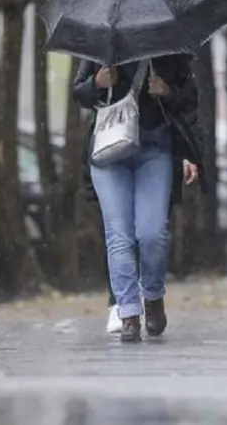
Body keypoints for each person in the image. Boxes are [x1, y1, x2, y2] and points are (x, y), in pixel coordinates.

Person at [72, 54, 204, 343]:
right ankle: (128, 312)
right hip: (108, 149)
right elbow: (78, 92)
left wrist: (167, 91)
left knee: (152, 233)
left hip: (154, 149)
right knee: (119, 235)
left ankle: (153, 296)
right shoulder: (99, 46)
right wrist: (98, 82)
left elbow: (190, 99)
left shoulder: (166, 48)